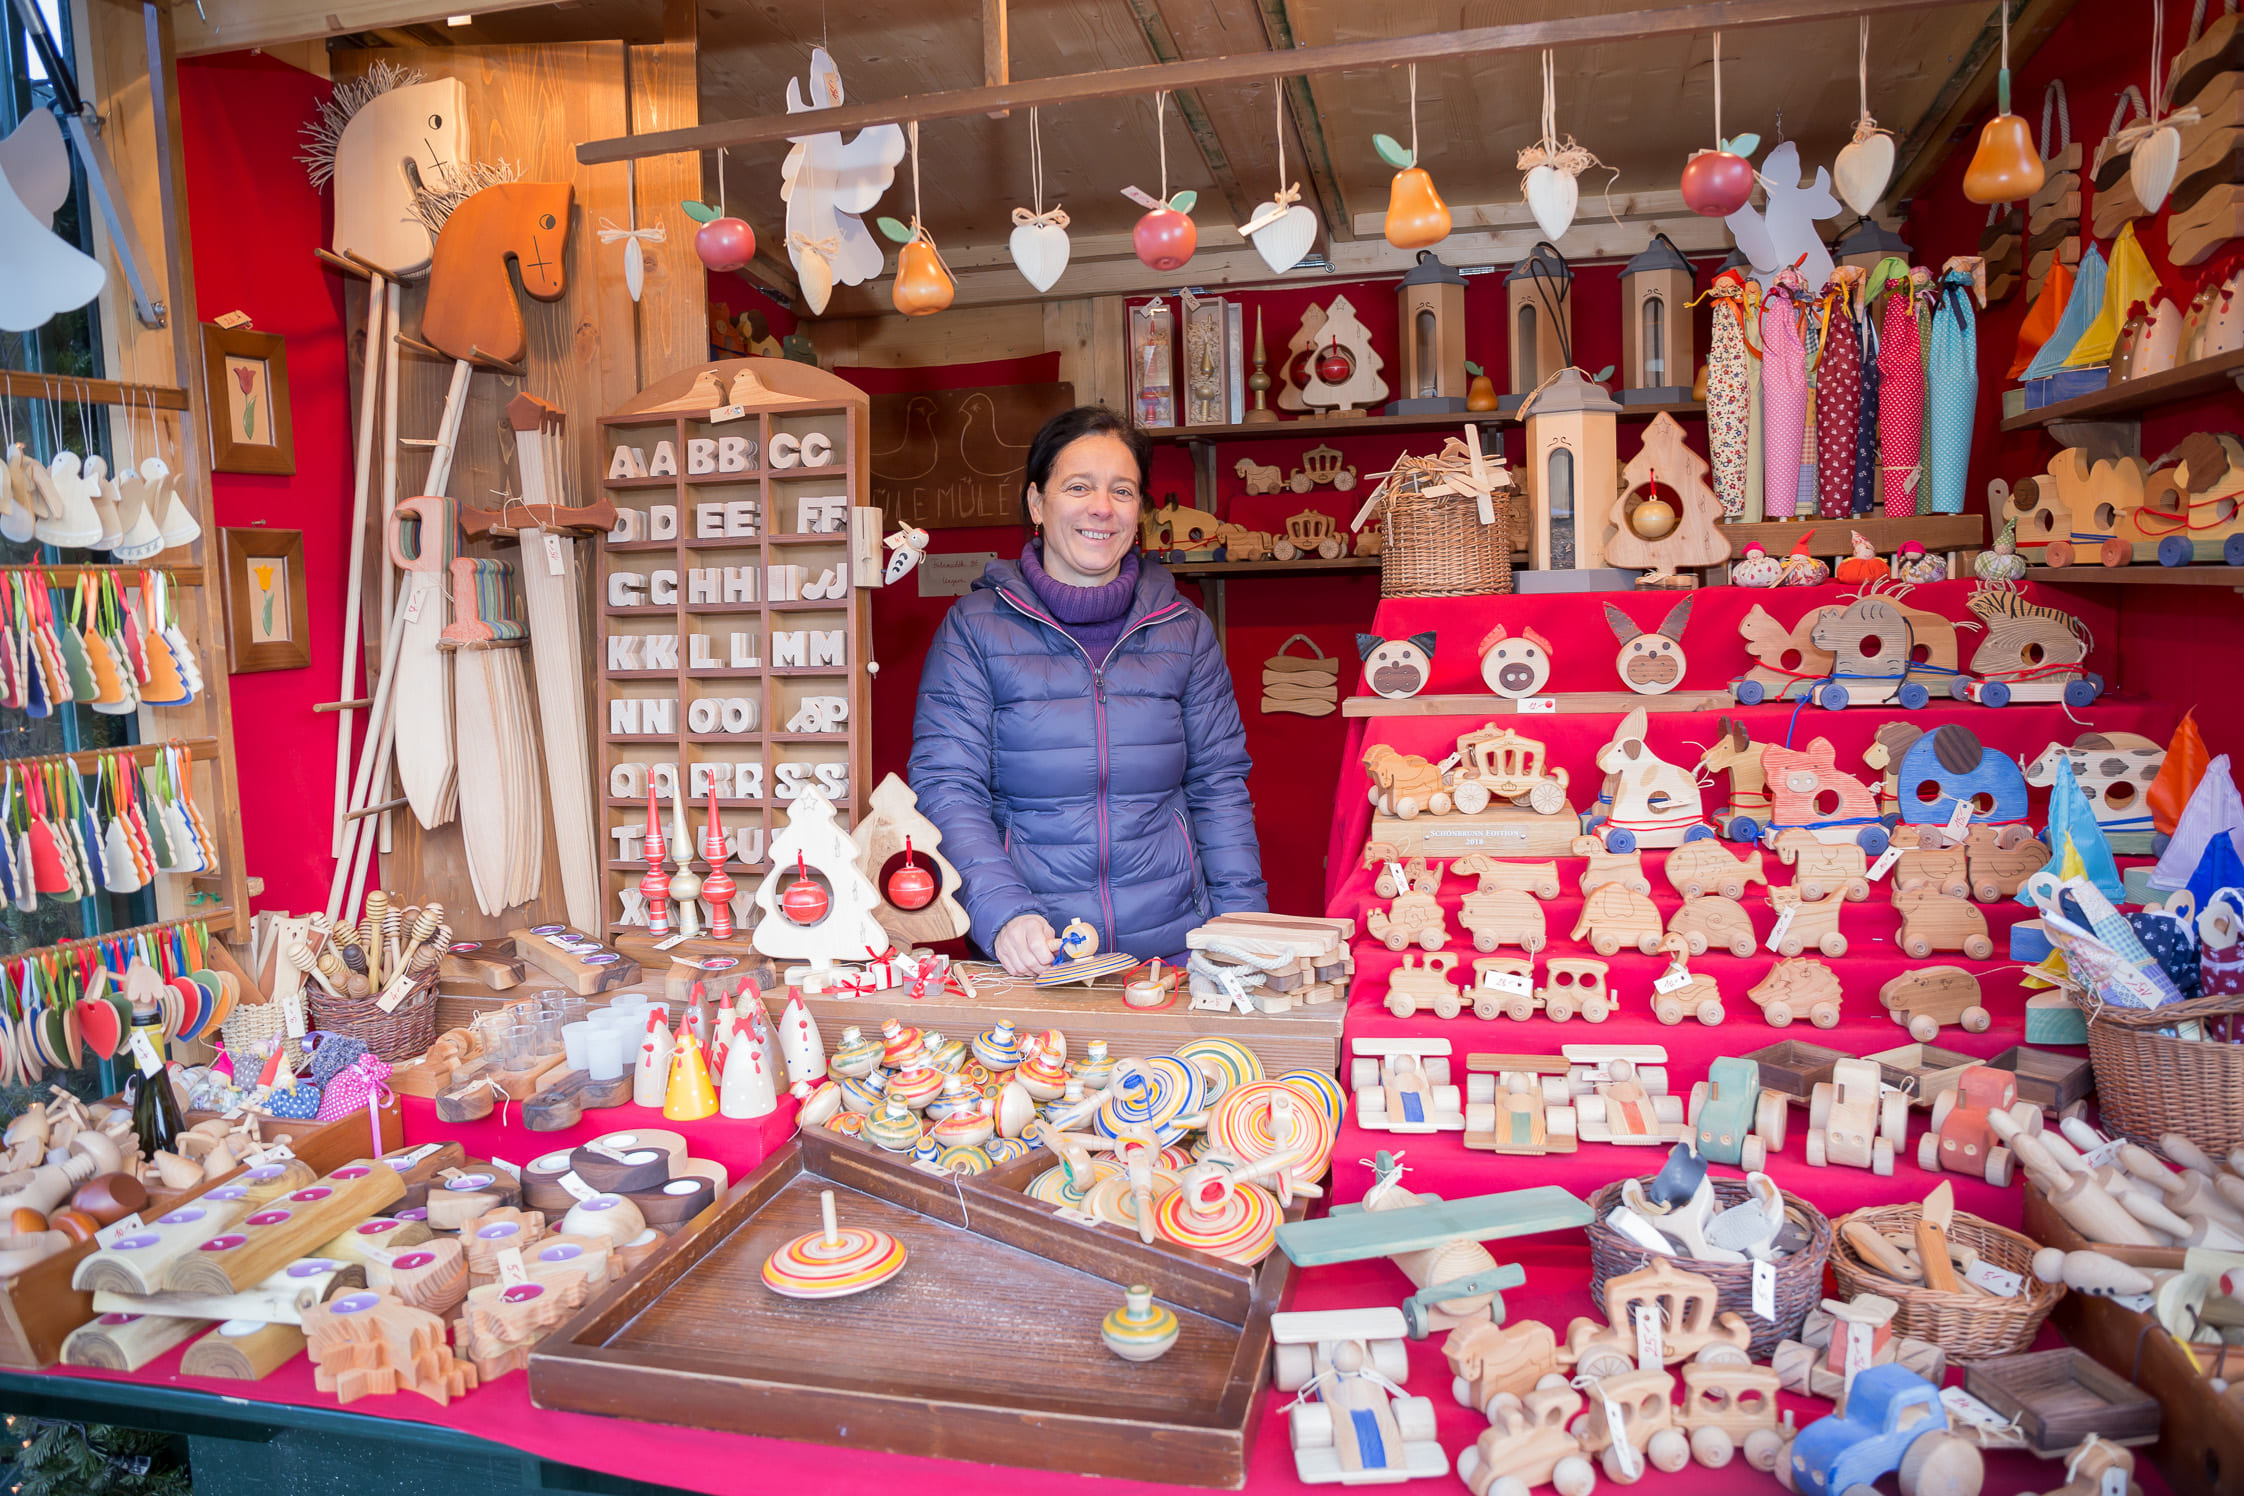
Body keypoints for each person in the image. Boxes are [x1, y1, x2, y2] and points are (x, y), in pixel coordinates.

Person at [910, 404, 1264, 977]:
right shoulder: (974, 628)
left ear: (1139, 511)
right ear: (1036, 503)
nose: (1102, 507)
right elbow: (947, 786)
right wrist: (1003, 913)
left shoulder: (1184, 629)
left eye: (1122, 491)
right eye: (1078, 486)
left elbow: (1218, 786)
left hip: (1171, 950)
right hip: (1035, 953)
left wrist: (1244, 924)